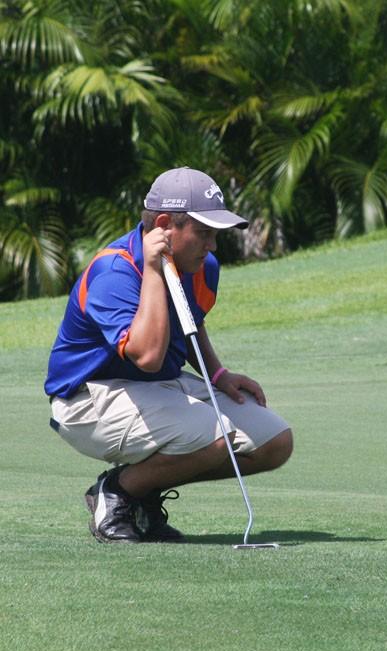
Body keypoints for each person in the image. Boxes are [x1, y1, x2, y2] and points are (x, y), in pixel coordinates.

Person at [45, 167, 293, 543]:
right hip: (88, 398)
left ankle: (142, 491)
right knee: (215, 437)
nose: (212, 246)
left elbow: (192, 321)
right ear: (163, 225)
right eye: (204, 233)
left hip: (158, 388)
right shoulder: (114, 271)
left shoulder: (202, 267)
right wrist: (153, 270)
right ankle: (118, 494)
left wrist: (217, 373)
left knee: (274, 442)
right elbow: (147, 356)